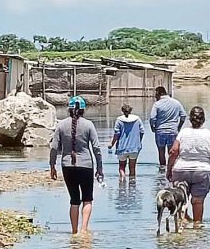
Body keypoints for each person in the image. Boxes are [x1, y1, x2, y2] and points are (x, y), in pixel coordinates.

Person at [167, 106, 210, 225]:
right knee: (197, 201)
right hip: (202, 171)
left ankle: (183, 224)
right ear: (203, 119)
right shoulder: (209, 134)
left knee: (181, 199)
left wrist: (168, 169)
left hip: (181, 170)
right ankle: (197, 228)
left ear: (190, 119)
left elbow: (173, 152)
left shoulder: (183, 133)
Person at [50, 96, 104, 234]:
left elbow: (54, 147)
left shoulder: (61, 125)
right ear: (83, 110)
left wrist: (52, 166)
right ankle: (84, 230)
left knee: (74, 200)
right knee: (87, 198)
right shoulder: (89, 125)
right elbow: (96, 148)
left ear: (69, 109)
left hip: (67, 165)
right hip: (86, 165)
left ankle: (74, 231)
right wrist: (100, 168)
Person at [150, 86, 187, 172]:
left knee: (161, 153)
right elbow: (183, 116)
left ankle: (162, 172)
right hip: (173, 131)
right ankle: (171, 172)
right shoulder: (176, 103)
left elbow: (152, 118)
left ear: (159, 93)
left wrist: (153, 127)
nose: (155, 96)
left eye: (155, 94)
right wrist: (179, 127)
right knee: (172, 154)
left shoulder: (157, 104)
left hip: (160, 131)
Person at [108, 104, 144, 180]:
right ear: (131, 110)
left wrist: (112, 144)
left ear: (122, 111)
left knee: (121, 167)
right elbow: (142, 132)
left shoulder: (119, 120)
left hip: (122, 148)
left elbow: (117, 134)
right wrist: (139, 142)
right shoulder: (137, 119)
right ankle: (132, 186)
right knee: (132, 168)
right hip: (134, 148)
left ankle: (122, 183)